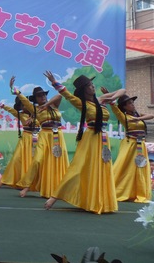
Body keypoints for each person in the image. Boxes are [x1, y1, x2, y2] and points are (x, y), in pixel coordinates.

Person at [43, 71, 125, 214]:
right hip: (90, 139)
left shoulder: (100, 100)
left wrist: (111, 99)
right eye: (89, 85)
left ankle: (98, 201)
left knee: (101, 169)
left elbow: (122, 90)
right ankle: (54, 197)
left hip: (103, 139)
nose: (93, 87)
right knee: (78, 167)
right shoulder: (82, 103)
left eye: (92, 84)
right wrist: (54, 82)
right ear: (84, 89)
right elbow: (66, 94)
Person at [14, 77, 68, 199]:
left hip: (57, 135)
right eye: (39, 96)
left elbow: (60, 95)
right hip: (44, 135)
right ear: (36, 99)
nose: (42, 97)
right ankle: (26, 186)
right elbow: (24, 100)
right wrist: (16, 91)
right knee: (38, 160)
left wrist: (47, 104)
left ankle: (59, 189)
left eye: (43, 94)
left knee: (58, 160)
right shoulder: (35, 109)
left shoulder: (54, 105)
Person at [107, 93, 154, 202]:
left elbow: (151, 116)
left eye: (132, 102)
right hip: (130, 144)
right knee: (123, 167)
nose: (132, 105)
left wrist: (139, 118)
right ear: (124, 107)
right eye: (129, 103)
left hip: (140, 145)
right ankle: (113, 190)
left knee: (140, 167)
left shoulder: (137, 115)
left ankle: (138, 192)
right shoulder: (124, 117)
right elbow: (115, 109)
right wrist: (110, 97)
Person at [0, 95, 36, 188]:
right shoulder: (21, 115)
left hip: (37, 139)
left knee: (34, 160)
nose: (26, 107)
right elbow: (10, 110)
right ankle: (5, 180)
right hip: (25, 139)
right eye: (23, 105)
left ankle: (30, 183)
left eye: (27, 104)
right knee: (16, 159)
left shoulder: (37, 114)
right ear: (20, 107)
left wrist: (34, 116)